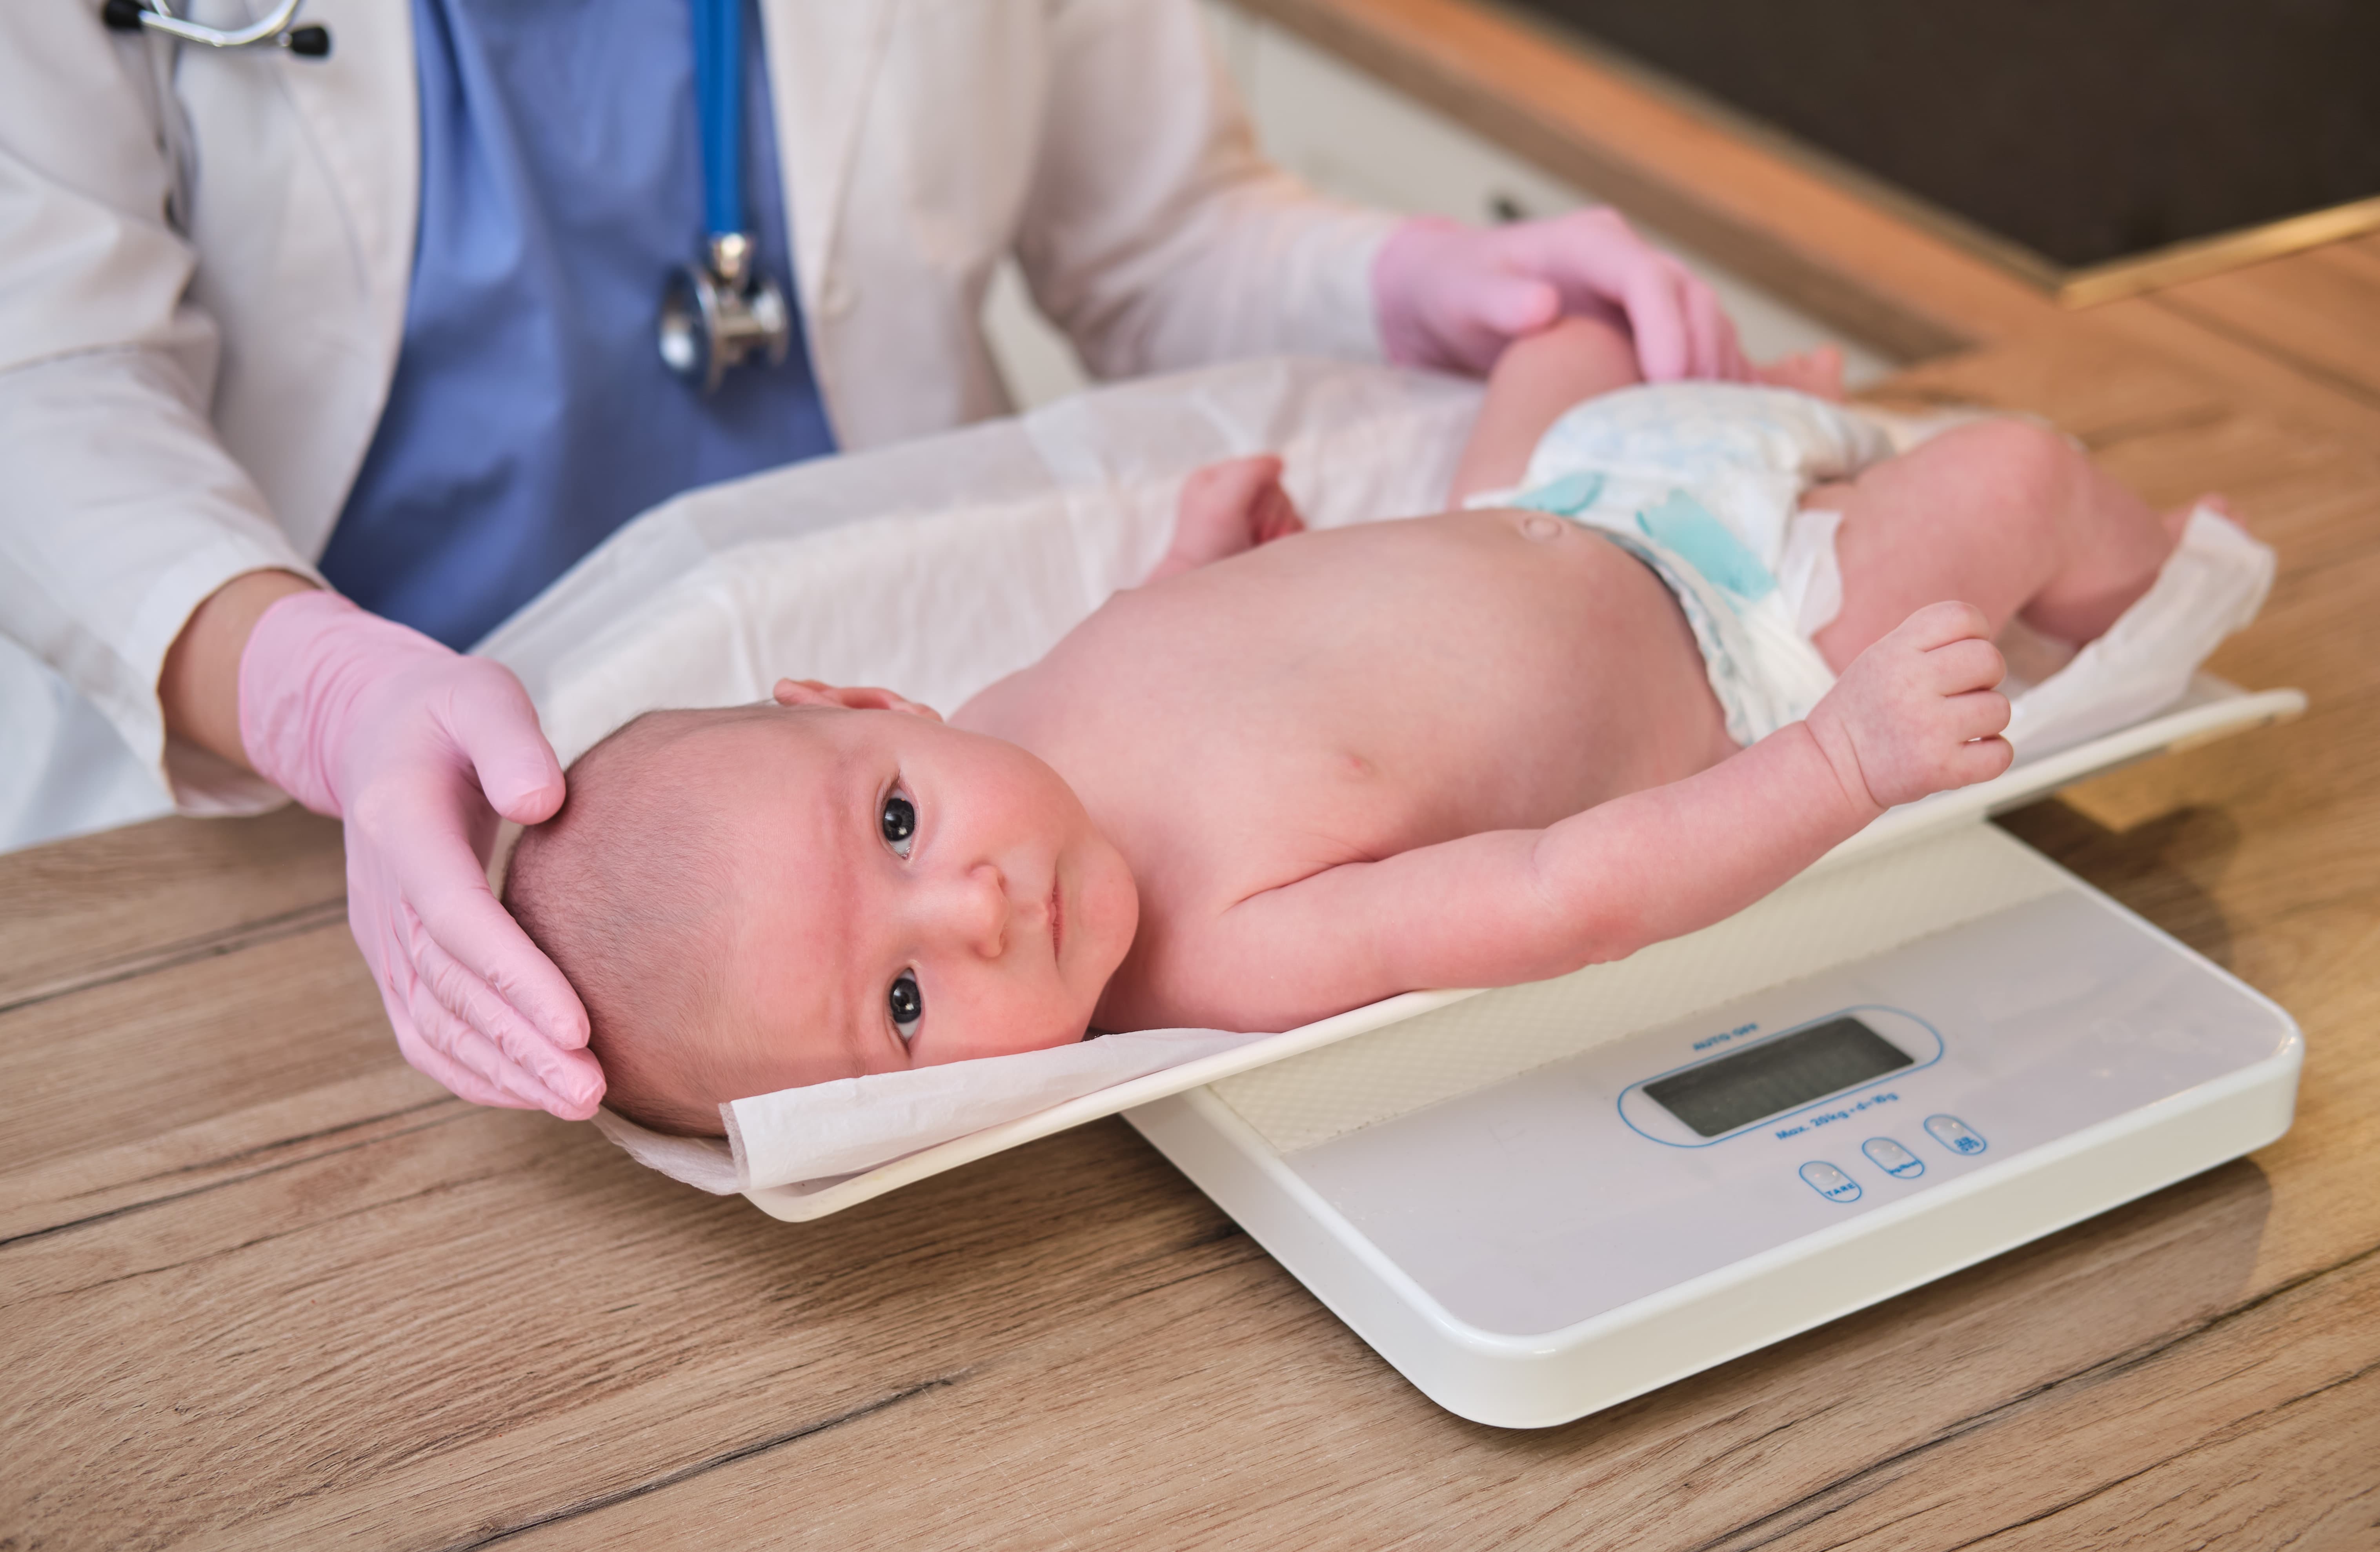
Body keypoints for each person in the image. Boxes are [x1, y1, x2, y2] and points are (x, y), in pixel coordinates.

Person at [0, 1, 1754, 1121]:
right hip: (263, 818)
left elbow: (1155, 232)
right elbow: (39, 376)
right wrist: (313, 691)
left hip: (906, 689)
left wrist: (1395, 286)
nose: (974, 906)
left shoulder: (1017, 795)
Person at [499, 316, 2212, 1136]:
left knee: (1565, 340)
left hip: (1549, 500)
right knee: (2014, 477)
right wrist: (1840, 756)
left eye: (892, 827)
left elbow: (1201, 662)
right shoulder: (1225, 950)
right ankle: (2151, 616)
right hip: (1738, 636)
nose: (976, 904)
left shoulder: (1012, 717)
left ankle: (1752, 410)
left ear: (868, 702)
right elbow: (1563, 889)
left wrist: (1202, 573)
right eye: (901, 999)